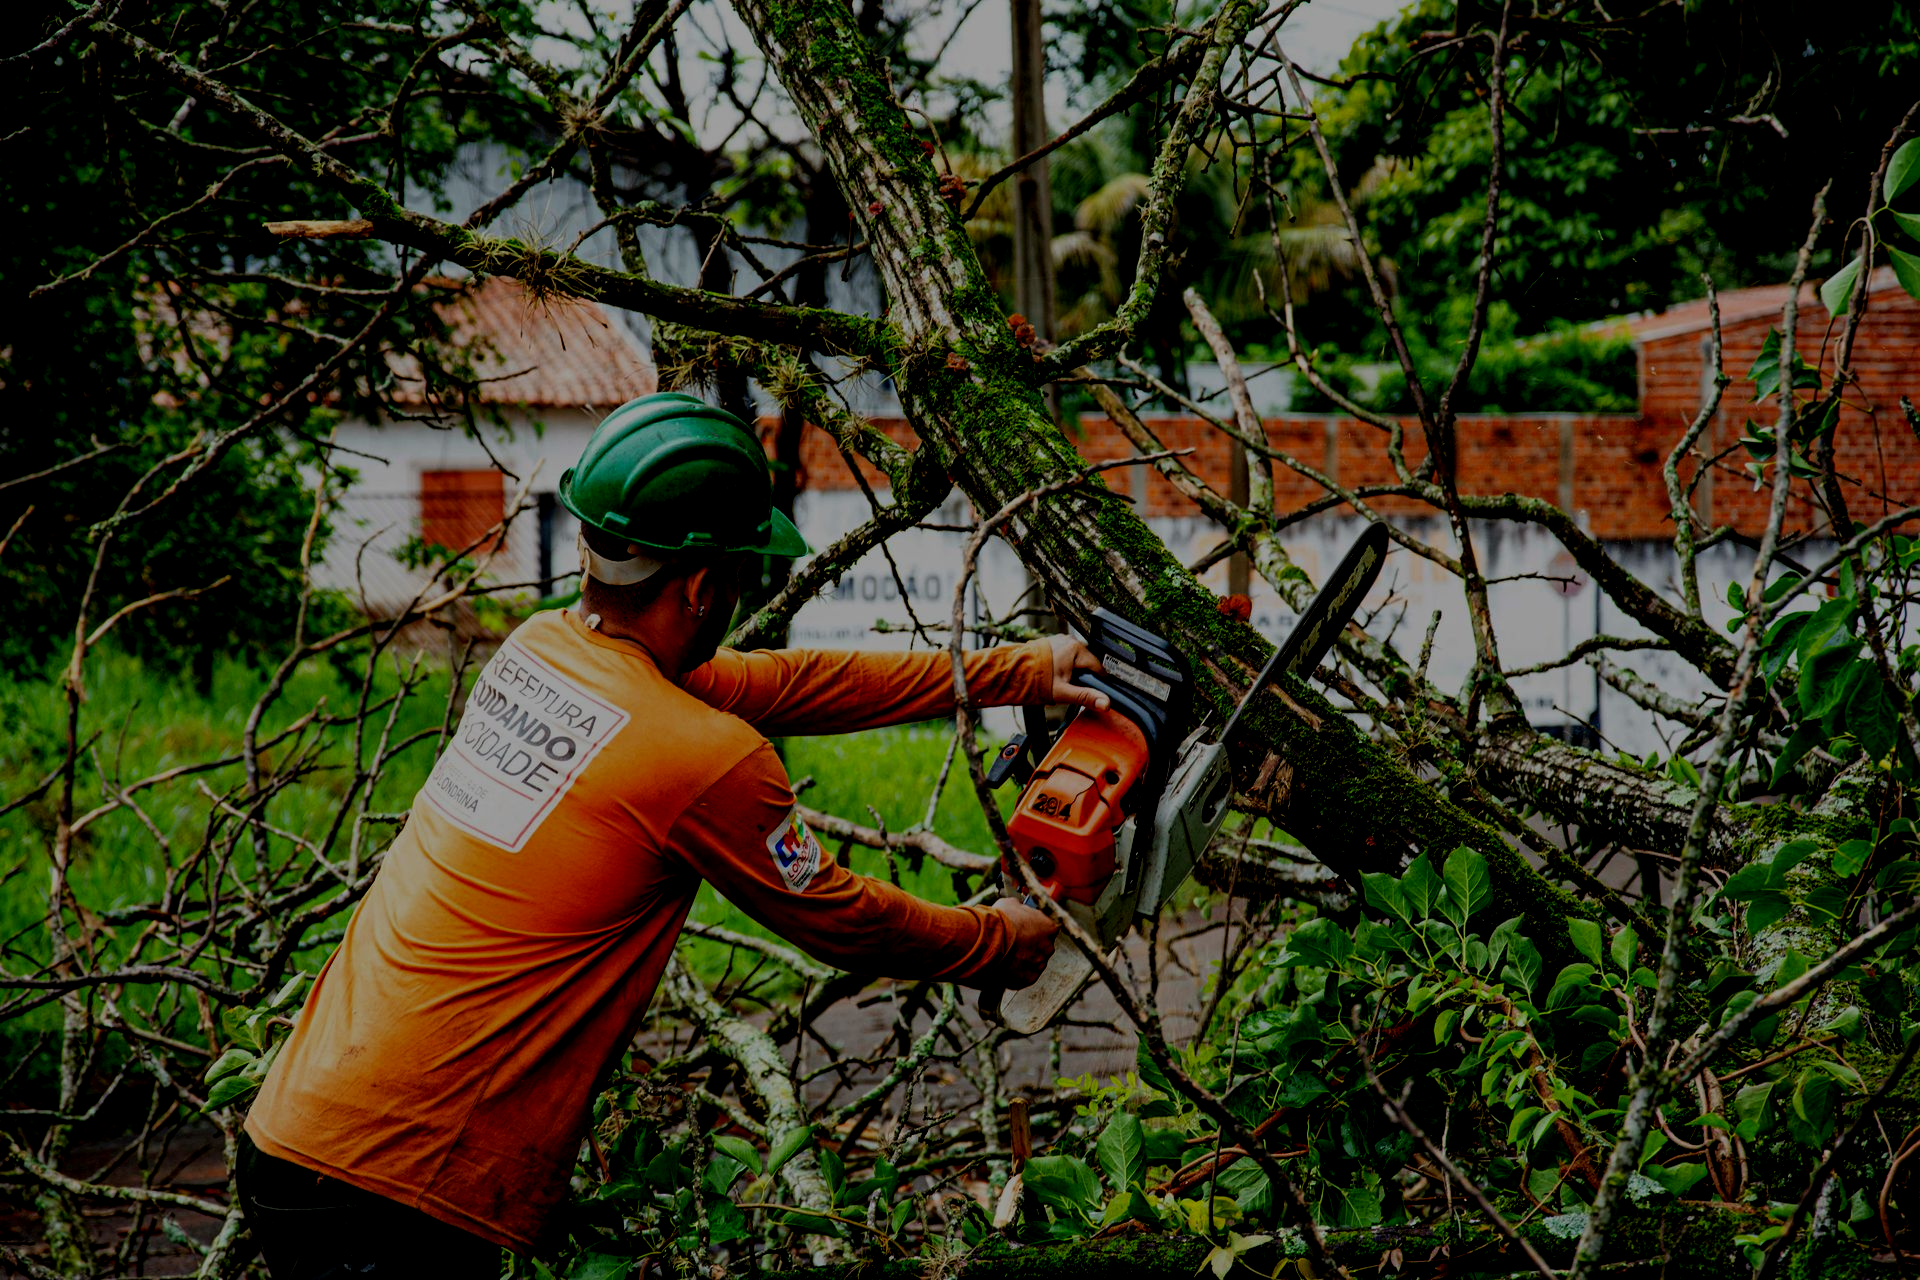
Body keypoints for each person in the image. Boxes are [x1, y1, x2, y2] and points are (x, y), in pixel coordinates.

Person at [238, 393, 1105, 1277]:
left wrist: (1022, 671)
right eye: (738, 573)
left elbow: (791, 681)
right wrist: (1000, 942)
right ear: (699, 588)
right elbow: (839, 917)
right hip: (388, 1196)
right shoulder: (693, 755)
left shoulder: (543, 647)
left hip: (296, 1131)